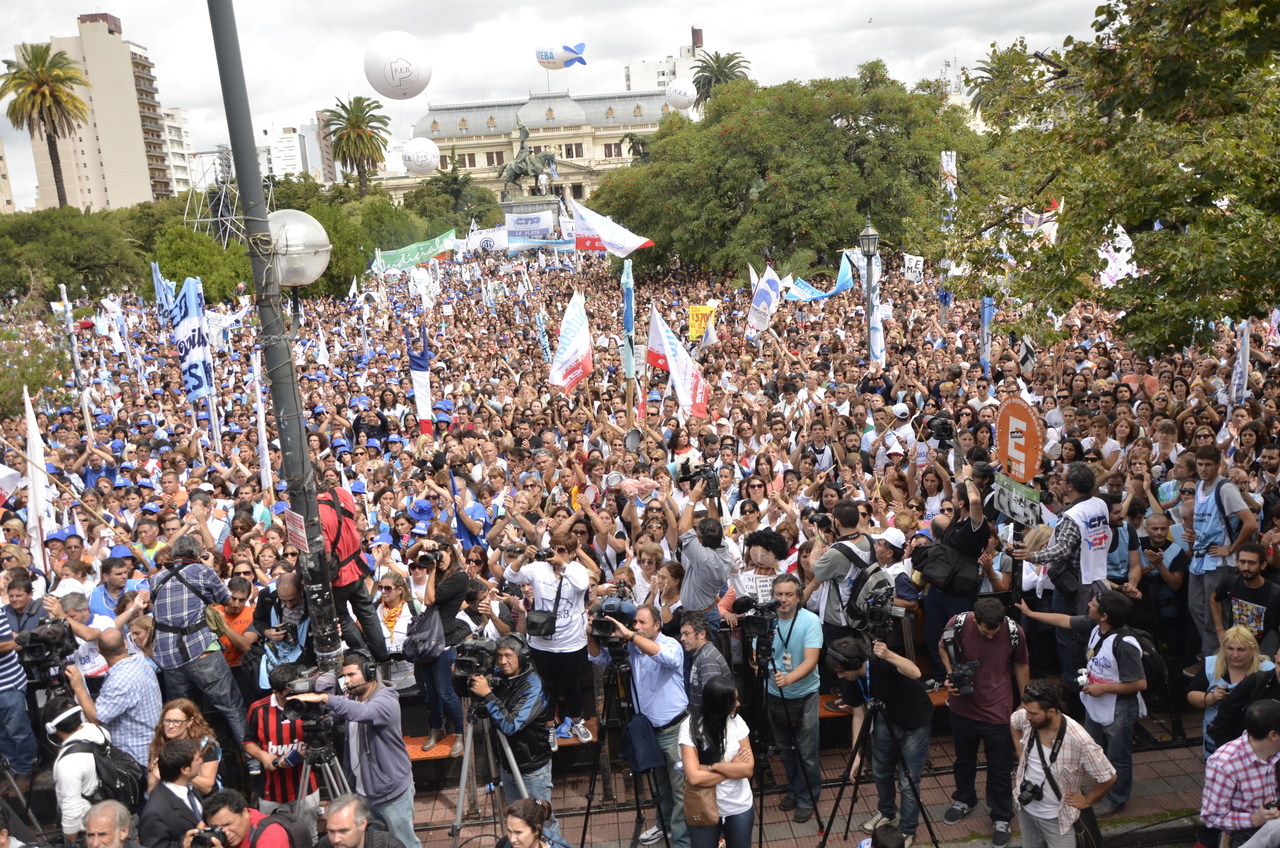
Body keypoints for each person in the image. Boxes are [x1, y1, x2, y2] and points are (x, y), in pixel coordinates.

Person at [1016, 590, 1146, 816]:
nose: (1088, 605)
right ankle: (1098, 788)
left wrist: (1102, 688)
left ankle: (1115, 798)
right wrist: (1030, 613)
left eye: (1093, 604)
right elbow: (1064, 621)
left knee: (1118, 757)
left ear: (1104, 616)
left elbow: (1139, 683)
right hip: (1094, 704)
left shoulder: (1124, 644)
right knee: (1090, 750)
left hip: (1118, 709)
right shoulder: (1095, 625)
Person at [288, 652, 420, 848]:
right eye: (344, 676)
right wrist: (326, 717)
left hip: (391, 793)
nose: (347, 681)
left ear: (369, 673)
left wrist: (326, 698)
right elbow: (344, 714)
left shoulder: (386, 700)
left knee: (405, 843)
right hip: (362, 792)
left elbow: (364, 713)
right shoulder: (353, 697)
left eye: (351, 675)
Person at [587, 605, 689, 848]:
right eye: (635, 623)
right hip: (648, 732)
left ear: (657, 625)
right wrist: (591, 634)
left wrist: (631, 636)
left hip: (674, 730)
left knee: (681, 790)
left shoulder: (671, 644)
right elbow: (598, 657)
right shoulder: (631, 648)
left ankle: (681, 841)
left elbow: (668, 658)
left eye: (643, 623)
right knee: (659, 785)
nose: (637, 627)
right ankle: (664, 825)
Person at [938, 598, 1030, 848]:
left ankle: (1001, 816)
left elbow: (1022, 663)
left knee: (1000, 767)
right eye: (985, 632)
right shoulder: (957, 623)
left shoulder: (1014, 631)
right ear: (975, 619)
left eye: (994, 632)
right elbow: (943, 647)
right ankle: (964, 799)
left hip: (998, 709)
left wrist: (1024, 701)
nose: (990, 637)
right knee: (963, 760)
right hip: (962, 707)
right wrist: (950, 674)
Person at [1012, 462, 1111, 683]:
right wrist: (1058, 508)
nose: (1059, 482)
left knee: (1068, 634)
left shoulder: (1073, 515)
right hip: (1098, 577)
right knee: (1092, 632)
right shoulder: (1099, 504)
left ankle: (1074, 683)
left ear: (1071, 486)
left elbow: (1063, 548)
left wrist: (1032, 556)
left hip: (1073, 585)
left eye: (1062, 479)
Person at [829, 636, 933, 846]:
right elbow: (859, 715)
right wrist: (855, 755)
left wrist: (889, 655)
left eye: (842, 671)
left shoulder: (882, 661)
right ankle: (887, 812)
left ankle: (907, 829)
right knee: (880, 770)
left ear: (854, 663)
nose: (840, 676)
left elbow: (915, 672)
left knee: (908, 782)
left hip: (916, 723)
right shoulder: (850, 679)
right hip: (888, 719)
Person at [149, 536, 247, 747]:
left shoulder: (157, 578)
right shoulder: (203, 571)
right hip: (201, 650)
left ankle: (187, 762)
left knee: (182, 715)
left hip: (169, 657)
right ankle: (253, 760)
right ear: (197, 554)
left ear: (174, 554)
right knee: (232, 706)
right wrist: (209, 567)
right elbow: (227, 599)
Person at [468, 634, 561, 842]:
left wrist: (488, 695)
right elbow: (469, 691)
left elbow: (511, 725)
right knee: (518, 820)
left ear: (522, 656)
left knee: (542, 824)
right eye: (499, 656)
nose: (502, 661)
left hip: (532, 769)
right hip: (507, 765)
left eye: (508, 656)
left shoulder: (533, 685)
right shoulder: (498, 676)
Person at [504, 534, 593, 748]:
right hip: (542, 641)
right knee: (547, 685)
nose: (555, 553)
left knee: (572, 684)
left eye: (561, 550)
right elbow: (510, 575)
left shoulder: (577, 569)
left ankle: (576, 721)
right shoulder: (537, 568)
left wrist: (563, 565)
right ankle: (549, 725)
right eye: (552, 548)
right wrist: (523, 556)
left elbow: (582, 585)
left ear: (571, 553)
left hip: (572, 640)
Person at [1011, 682, 1117, 848]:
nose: (1027, 717)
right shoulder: (1028, 717)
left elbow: (1108, 777)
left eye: (1033, 713)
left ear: (1051, 712)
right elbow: (1014, 723)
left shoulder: (1080, 740)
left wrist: (1087, 800)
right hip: (1026, 809)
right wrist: (1020, 750)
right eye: (1026, 711)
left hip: (1058, 820)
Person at [1186, 445, 1258, 656]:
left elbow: (1251, 524)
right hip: (1200, 555)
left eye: (1208, 465)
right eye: (1200, 464)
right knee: (1195, 606)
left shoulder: (1226, 488)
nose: (1203, 469)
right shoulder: (1199, 485)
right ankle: (1216, 653)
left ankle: (1215, 658)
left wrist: (1231, 549)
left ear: (1218, 465)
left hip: (1219, 561)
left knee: (1214, 613)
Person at [763, 573, 824, 823]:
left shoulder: (810, 621)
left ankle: (807, 797)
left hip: (804, 694)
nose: (783, 599)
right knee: (786, 750)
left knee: (807, 753)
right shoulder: (766, 620)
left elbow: (811, 661)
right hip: (774, 694)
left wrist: (788, 679)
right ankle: (793, 790)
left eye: (789, 594)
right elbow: (756, 655)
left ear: (799, 598)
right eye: (778, 594)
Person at [63, 626, 162, 769]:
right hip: (151, 745)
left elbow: (97, 718)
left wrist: (79, 687)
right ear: (125, 644)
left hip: (133, 757)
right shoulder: (140, 662)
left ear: (99, 651)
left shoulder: (119, 680)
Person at [243, 663, 320, 838]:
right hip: (271, 791)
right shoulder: (258, 709)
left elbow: (321, 742)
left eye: (294, 692)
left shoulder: (309, 703)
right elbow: (248, 742)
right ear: (275, 692)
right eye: (287, 695)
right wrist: (263, 756)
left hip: (306, 787)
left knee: (309, 837)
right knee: (272, 838)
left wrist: (298, 756)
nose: (293, 698)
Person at [678, 676, 755, 848]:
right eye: (733, 701)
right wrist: (732, 768)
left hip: (738, 806)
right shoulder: (689, 727)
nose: (738, 704)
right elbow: (694, 778)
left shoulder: (738, 722)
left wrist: (714, 767)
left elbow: (748, 769)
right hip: (701, 805)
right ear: (718, 705)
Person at [1201, 700, 1280, 848]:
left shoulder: (1275, 750)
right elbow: (1211, 817)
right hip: (1243, 835)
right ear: (1274, 735)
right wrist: (1255, 819)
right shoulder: (1224, 764)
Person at [46, 696, 108, 841]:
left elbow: (71, 814)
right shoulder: (99, 731)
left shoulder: (68, 764)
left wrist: (70, 843)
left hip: (87, 832)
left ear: (51, 728)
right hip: (108, 815)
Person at [677, 484, 734, 634]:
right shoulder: (722, 547)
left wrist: (692, 500)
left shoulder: (704, 558)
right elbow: (715, 524)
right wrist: (712, 498)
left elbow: (682, 529)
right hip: (705, 613)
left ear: (701, 541)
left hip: (701, 618)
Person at [1210, 542, 1280, 654]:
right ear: (1236, 562)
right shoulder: (1231, 582)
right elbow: (1214, 599)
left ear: (1263, 565)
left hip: (1261, 652)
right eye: (1243, 562)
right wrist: (1220, 629)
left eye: (1252, 563)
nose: (1246, 567)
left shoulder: (1275, 593)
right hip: (1234, 649)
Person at [146, 699, 222, 796]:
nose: (171, 726)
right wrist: (159, 779)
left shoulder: (205, 745)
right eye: (167, 720)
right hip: (171, 799)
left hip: (203, 799)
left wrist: (177, 773)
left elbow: (207, 787)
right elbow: (150, 791)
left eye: (177, 721)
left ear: (190, 722)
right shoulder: (158, 745)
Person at [139, 739, 206, 848]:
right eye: (197, 759)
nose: (201, 761)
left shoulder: (189, 788)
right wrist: (183, 845)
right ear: (185, 770)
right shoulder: (155, 812)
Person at [181, 789, 293, 848]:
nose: (225, 833)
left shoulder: (271, 833)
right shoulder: (212, 831)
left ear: (244, 812)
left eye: (228, 824)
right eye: (218, 828)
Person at [0, 611, 34, 792]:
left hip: (7, 684)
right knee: (2, 734)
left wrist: (15, 641)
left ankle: (25, 770)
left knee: (18, 731)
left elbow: (7, 637)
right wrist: (15, 641)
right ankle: (11, 770)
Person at [679, 611, 730, 712]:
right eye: (682, 634)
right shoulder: (702, 654)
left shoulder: (707, 659)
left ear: (702, 634)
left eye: (686, 634)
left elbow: (713, 700)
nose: (682, 638)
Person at [316, 794, 406, 848]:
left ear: (362, 824)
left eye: (343, 831)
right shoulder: (323, 845)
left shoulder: (389, 845)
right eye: (331, 831)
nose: (336, 839)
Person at [497, 798, 573, 848]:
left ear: (537, 830)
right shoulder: (504, 844)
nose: (512, 839)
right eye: (509, 831)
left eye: (518, 832)